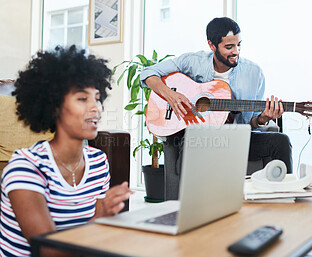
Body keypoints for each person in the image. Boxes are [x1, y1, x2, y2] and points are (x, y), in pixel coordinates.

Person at [0, 45, 132, 257]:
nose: (95, 108)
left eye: (97, 98)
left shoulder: (97, 161)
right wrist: (99, 218)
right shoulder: (24, 167)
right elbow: (48, 251)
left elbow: (98, 240)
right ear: (54, 107)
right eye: (82, 98)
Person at [141, 17, 292, 200]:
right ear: (212, 45)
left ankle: (285, 199)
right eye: (229, 47)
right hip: (199, 139)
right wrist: (170, 95)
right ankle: (191, 213)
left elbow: (251, 121)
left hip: (237, 138)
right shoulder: (192, 61)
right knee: (194, 144)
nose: (236, 51)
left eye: (239, 45)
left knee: (281, 141)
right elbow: (148, 73)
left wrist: (263, 119)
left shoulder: (254, 73)